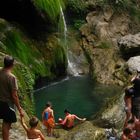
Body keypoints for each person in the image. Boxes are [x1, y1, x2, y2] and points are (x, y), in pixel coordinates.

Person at [0, 55, 24, 140]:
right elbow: (14, 95)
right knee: (6, 124)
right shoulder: (11, 77)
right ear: (12, 64)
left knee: (5, 122)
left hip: (1, 101)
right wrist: (19, 108)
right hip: (7, 104)